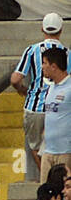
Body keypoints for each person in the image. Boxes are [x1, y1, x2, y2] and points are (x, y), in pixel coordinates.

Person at [12, 13, 64, 171]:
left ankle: (47, 179)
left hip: (35, 106)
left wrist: (22, 90)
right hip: (59, 107)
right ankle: (58, 180)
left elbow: (15, 79)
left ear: (42, 28)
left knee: (35, 146)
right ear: (61, 30)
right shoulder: (67, 53)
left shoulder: (32, 50)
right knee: (59, 148)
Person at [40, 45, 71, 180]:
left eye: (44, 63)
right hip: (48, 152)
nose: (42, 67)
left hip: (65, 152)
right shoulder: (50, 88)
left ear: (54, 66)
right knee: (45, 195)